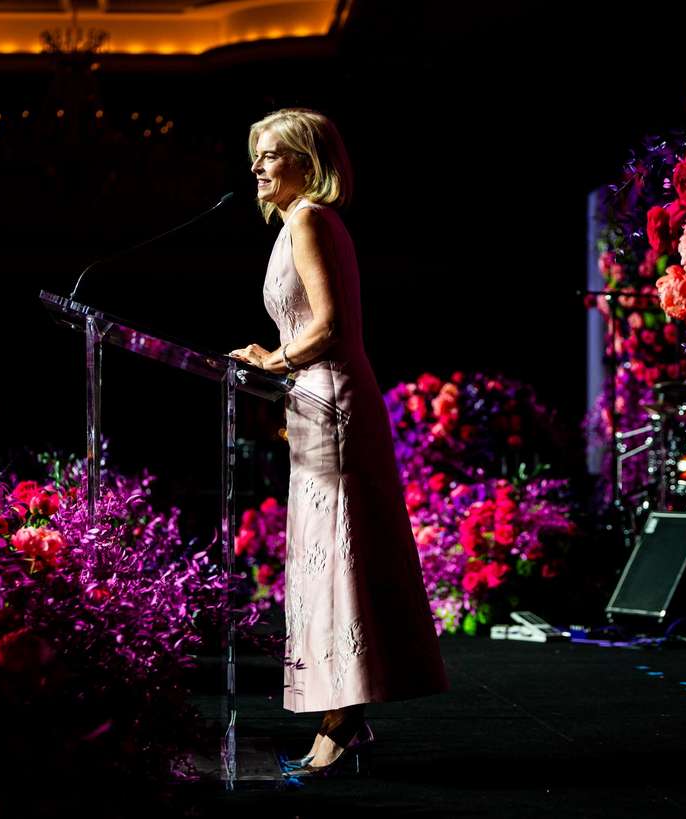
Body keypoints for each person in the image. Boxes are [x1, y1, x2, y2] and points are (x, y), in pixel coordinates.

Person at [229, 108, 448, 778]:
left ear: (306, 160)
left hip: (331, 399)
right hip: (316, 402)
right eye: (256, 155)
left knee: (340, 563)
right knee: (332, 561)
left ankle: (341, 724)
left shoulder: (309, 220)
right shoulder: (298, 224)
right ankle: (345, 714)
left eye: (271, 154)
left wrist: (272, 357)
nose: (258, 166)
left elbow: (327, 327)